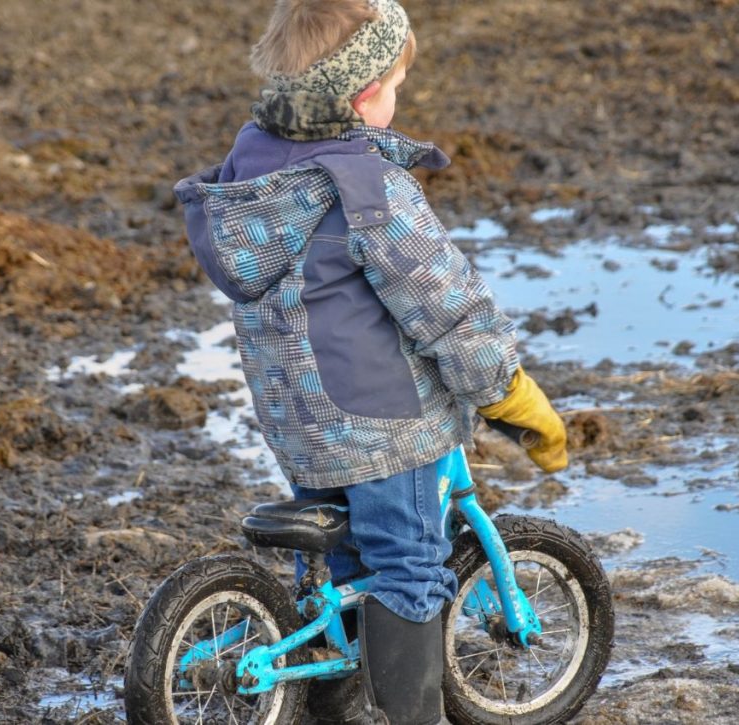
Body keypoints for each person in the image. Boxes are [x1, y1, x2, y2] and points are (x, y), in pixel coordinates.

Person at [173, 1, 568, 722]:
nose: (399, 99)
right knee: (409, 568)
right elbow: (443, 303)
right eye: (396, 85)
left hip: (298, 422)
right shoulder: (371, 189)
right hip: (387, 424)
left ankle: (332, 700)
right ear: (363, 99)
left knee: (341, 565)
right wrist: (507, 390)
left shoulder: (249, 168)